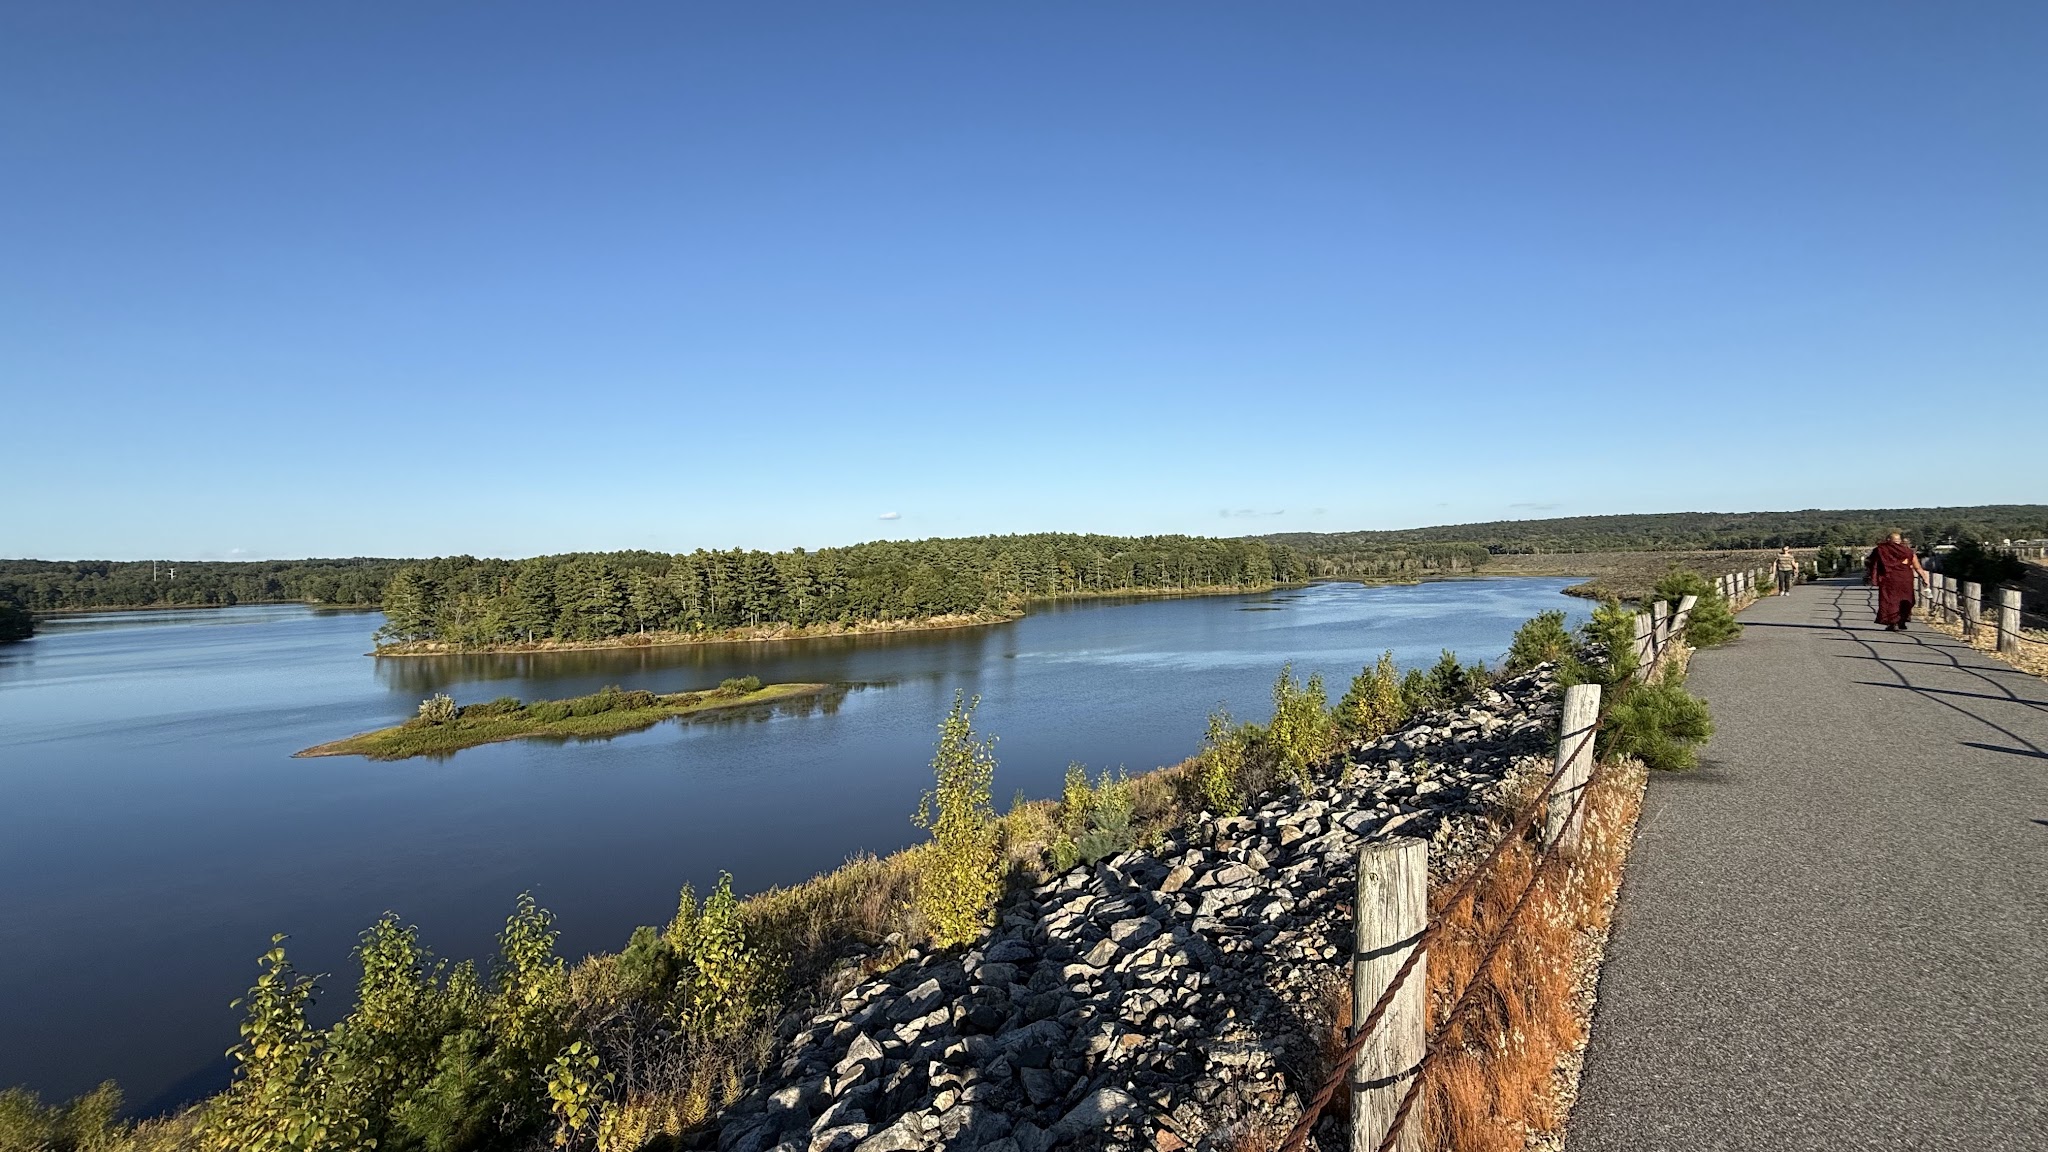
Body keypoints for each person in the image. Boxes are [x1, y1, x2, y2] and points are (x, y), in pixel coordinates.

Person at [1864, 531, 1924, 631]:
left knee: (1890, 600)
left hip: (1889, 579)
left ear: (1888, 540)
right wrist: (1924, 578)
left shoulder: (1880, 549)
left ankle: (1893, 623)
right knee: (1906, 599)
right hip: (1905, 579)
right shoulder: (1907, 551)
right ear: (1900, 541)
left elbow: (1870, 562)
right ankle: (1902, 621)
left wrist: (1872, 573)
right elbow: (1917, 566)